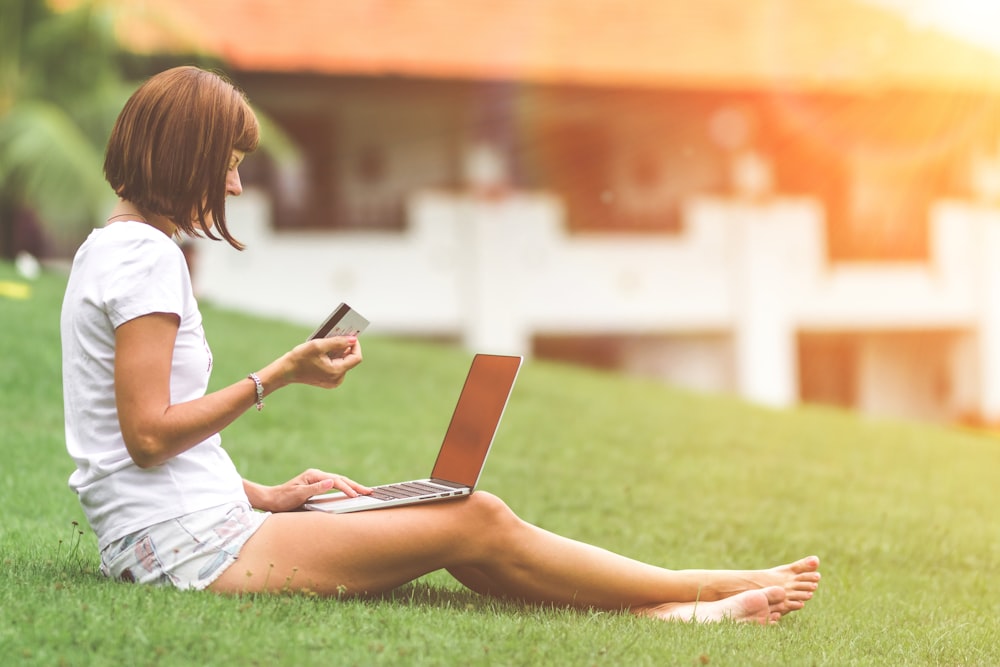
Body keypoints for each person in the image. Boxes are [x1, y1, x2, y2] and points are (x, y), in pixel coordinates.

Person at [61, 66, 820, 625]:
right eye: (229, 162)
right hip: (190, 552)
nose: (232, 186)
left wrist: (267, 494)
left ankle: (674, 608)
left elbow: (128, 439)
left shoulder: (110, 247)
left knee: (454, 510)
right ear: (188, 155)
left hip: (183, 531)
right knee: (474, 517)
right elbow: (149, 435)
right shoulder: (147, 260)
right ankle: (699, 587)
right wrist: (279, 374)